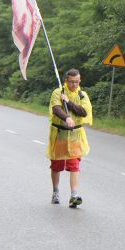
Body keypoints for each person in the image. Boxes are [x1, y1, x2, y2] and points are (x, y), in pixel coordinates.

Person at [47, 69, 93, 208]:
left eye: (77, 82)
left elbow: (84, 112)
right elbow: (56, 109)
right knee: (57, 165)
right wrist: (66, 117)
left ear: (80, 80)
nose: (74, 84)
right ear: (66, 81)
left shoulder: (82, 95)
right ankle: (55, 191)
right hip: (60, 133)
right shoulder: (58, 92)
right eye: (71, 82)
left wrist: (69, 103)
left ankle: (74, 195)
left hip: (75, 135)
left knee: (74, 165)